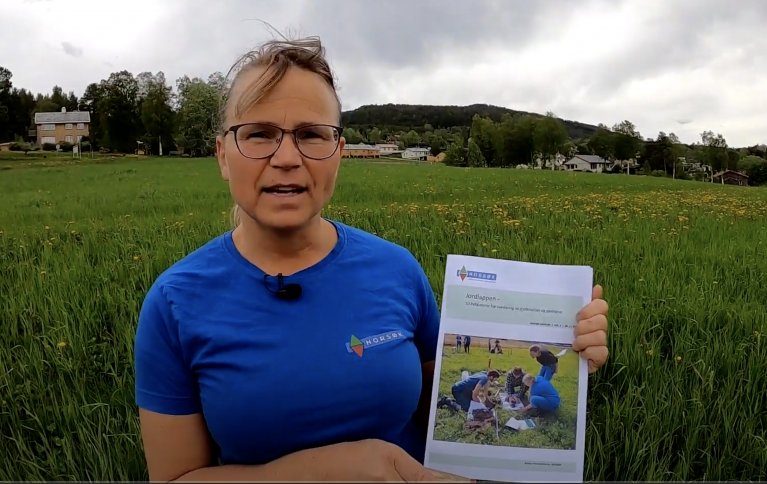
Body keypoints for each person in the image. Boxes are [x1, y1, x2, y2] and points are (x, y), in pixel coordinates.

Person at [133, 35, 610, 482]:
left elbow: (442, 401)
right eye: (258, 134)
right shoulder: (176, 303)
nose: (285, 157)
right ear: (222, 154)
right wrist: (325, 472)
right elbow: (177, 477)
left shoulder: (397, 270)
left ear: (338, 152)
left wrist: (557, 346)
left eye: (310, 134)